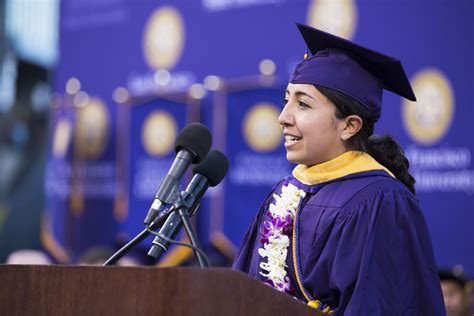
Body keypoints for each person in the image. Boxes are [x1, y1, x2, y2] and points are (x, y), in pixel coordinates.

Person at [232, 23, 445, 315]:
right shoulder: (283, 195)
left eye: (303, 105)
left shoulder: (380, 201)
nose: (283, 117)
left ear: (349, 126)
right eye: (286, 100)